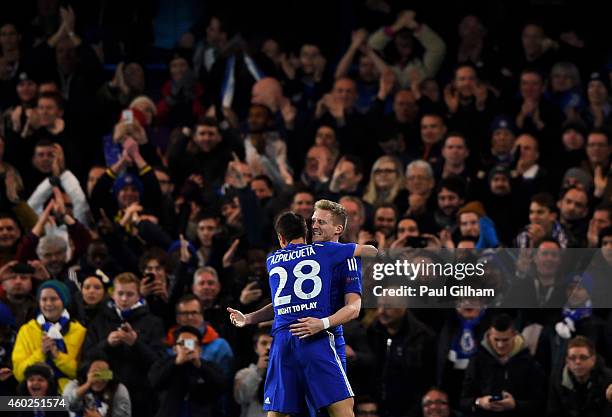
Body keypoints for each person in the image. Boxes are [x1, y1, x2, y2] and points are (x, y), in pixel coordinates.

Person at [228, 210, 377, 416]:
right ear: (306, 233)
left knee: (278, 412)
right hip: (314, 336)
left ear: (281, 237)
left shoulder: (273, 260)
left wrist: (249, 318)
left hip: (281, 343)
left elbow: (281, 304)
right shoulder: (324, 251)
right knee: (342, 409)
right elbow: (369, 251)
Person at [460, 314, 546, 417]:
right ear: (489, 335)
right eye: (496, 339)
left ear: (514, 335)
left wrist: (516, 405)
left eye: (505, 340)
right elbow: (464, 400)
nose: (500, 345)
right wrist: (480, 402)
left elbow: (540, 403)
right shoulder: (477, 361)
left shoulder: (530, 364)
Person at [12, 280, 86, 392]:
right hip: (33, 396)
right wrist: (41, 352)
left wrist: (58, 356)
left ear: (64, 301)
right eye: (44, 299)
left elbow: (83, 373)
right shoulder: (26, 330)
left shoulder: (79, 331)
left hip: (67, 396)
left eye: (54, 299)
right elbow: (19, 373)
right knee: (6, 404)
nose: (48, 304)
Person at [149, 325, 226, 417]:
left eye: (193, 343)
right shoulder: (163, 364)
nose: (187, 347)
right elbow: (154, 382)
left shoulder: (210, 367)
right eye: (182, 343)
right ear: (174, 349)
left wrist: (200, 366)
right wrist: (176, 362)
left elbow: (222, 386)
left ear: (200, 349)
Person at [547, 336, 612, 417]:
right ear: (567, 361)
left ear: (593, 359)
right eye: (572, 358)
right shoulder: (557, 380)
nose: (577, 362)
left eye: (583, 357)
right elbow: (553, 411)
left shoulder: (608, 379)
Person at [63, 355, 131, 417]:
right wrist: (87, 385)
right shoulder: (75, 385)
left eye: (104, 373)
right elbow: (64, 405)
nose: (100, 378)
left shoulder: (118, 389)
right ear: (86, 372)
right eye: (95, 372)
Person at [234, 328, 272, 417]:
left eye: (273, 343)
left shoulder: (287, 374)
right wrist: (258, 371)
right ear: (256, 348)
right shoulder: (243, 374)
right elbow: (241, 398)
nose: (268, 347)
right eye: (264, 343)